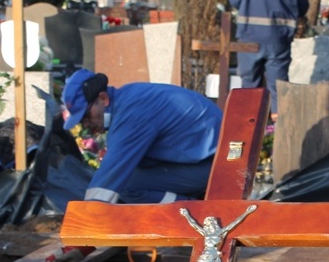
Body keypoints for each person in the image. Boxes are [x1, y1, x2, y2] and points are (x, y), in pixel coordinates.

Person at [62, 68, 223, 204]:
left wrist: (85, 220)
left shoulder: (130, 114)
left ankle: (194, 212)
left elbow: (108, 180)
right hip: (212, 157)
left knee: (127, 185)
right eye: (81, 121)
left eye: (86, 116)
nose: (85, 124)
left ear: (103, 98)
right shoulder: (129, 98)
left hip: (218, 164)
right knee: (131, 176)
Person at [228, 0, 309, 116]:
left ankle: (249, 125)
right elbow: (302, 7)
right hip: (278, 39)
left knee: (249, 86)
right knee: (278, 88)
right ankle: (277, 128)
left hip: (249, 38)